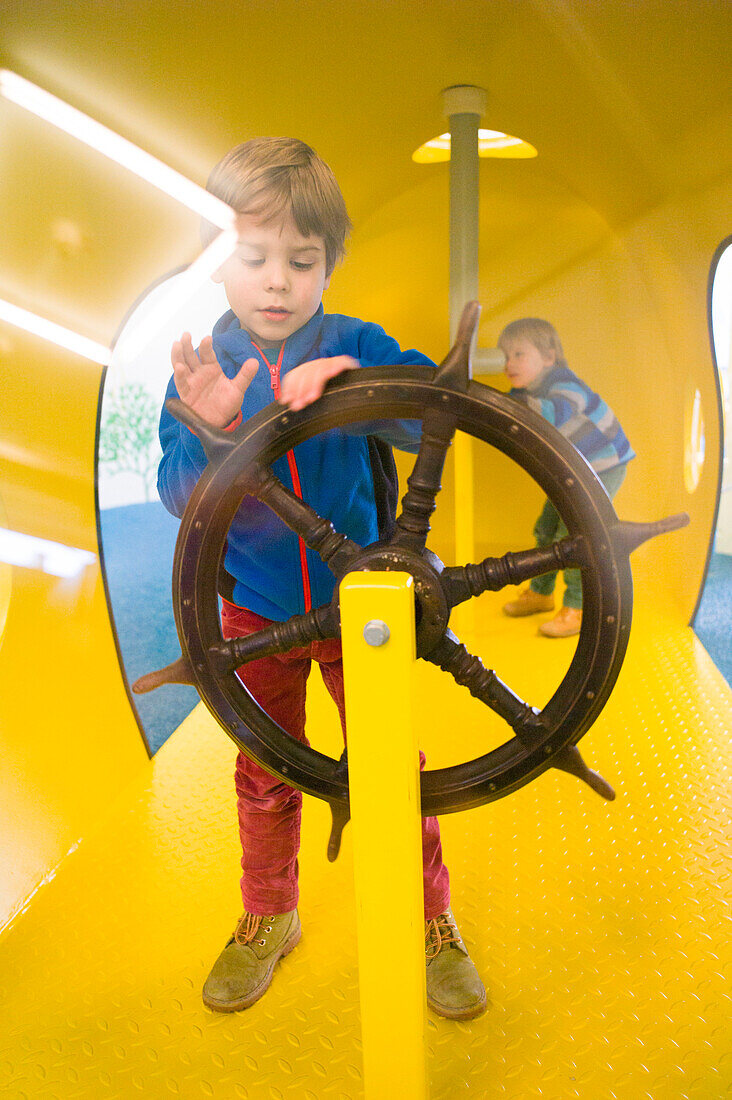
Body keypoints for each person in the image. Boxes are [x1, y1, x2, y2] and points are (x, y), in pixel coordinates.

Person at [157, 137, 486, 1020]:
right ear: (220, 261)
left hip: (361, 610)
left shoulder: (353, 340)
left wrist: (361, 381)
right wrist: (210, 429)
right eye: (254, 257)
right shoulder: (200, 369)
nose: (276, 281)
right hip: (253, 613)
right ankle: (270, 916)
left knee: (391, 769)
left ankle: (431, 919)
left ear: (330, 264)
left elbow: (432, 426)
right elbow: (178, 499)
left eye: (301, 261)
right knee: (264, 771)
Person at [499, 317, 635, 637]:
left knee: (576, 536)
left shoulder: (564, 385)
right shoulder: (529, 392)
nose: (509, 363)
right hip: (573, 470)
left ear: (548, 357)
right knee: (545, 529)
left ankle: (577, 605)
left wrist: (508, 403)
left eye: (519, 354)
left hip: (604, 466)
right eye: (506, 356)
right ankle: (541, 592)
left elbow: (552, 414)